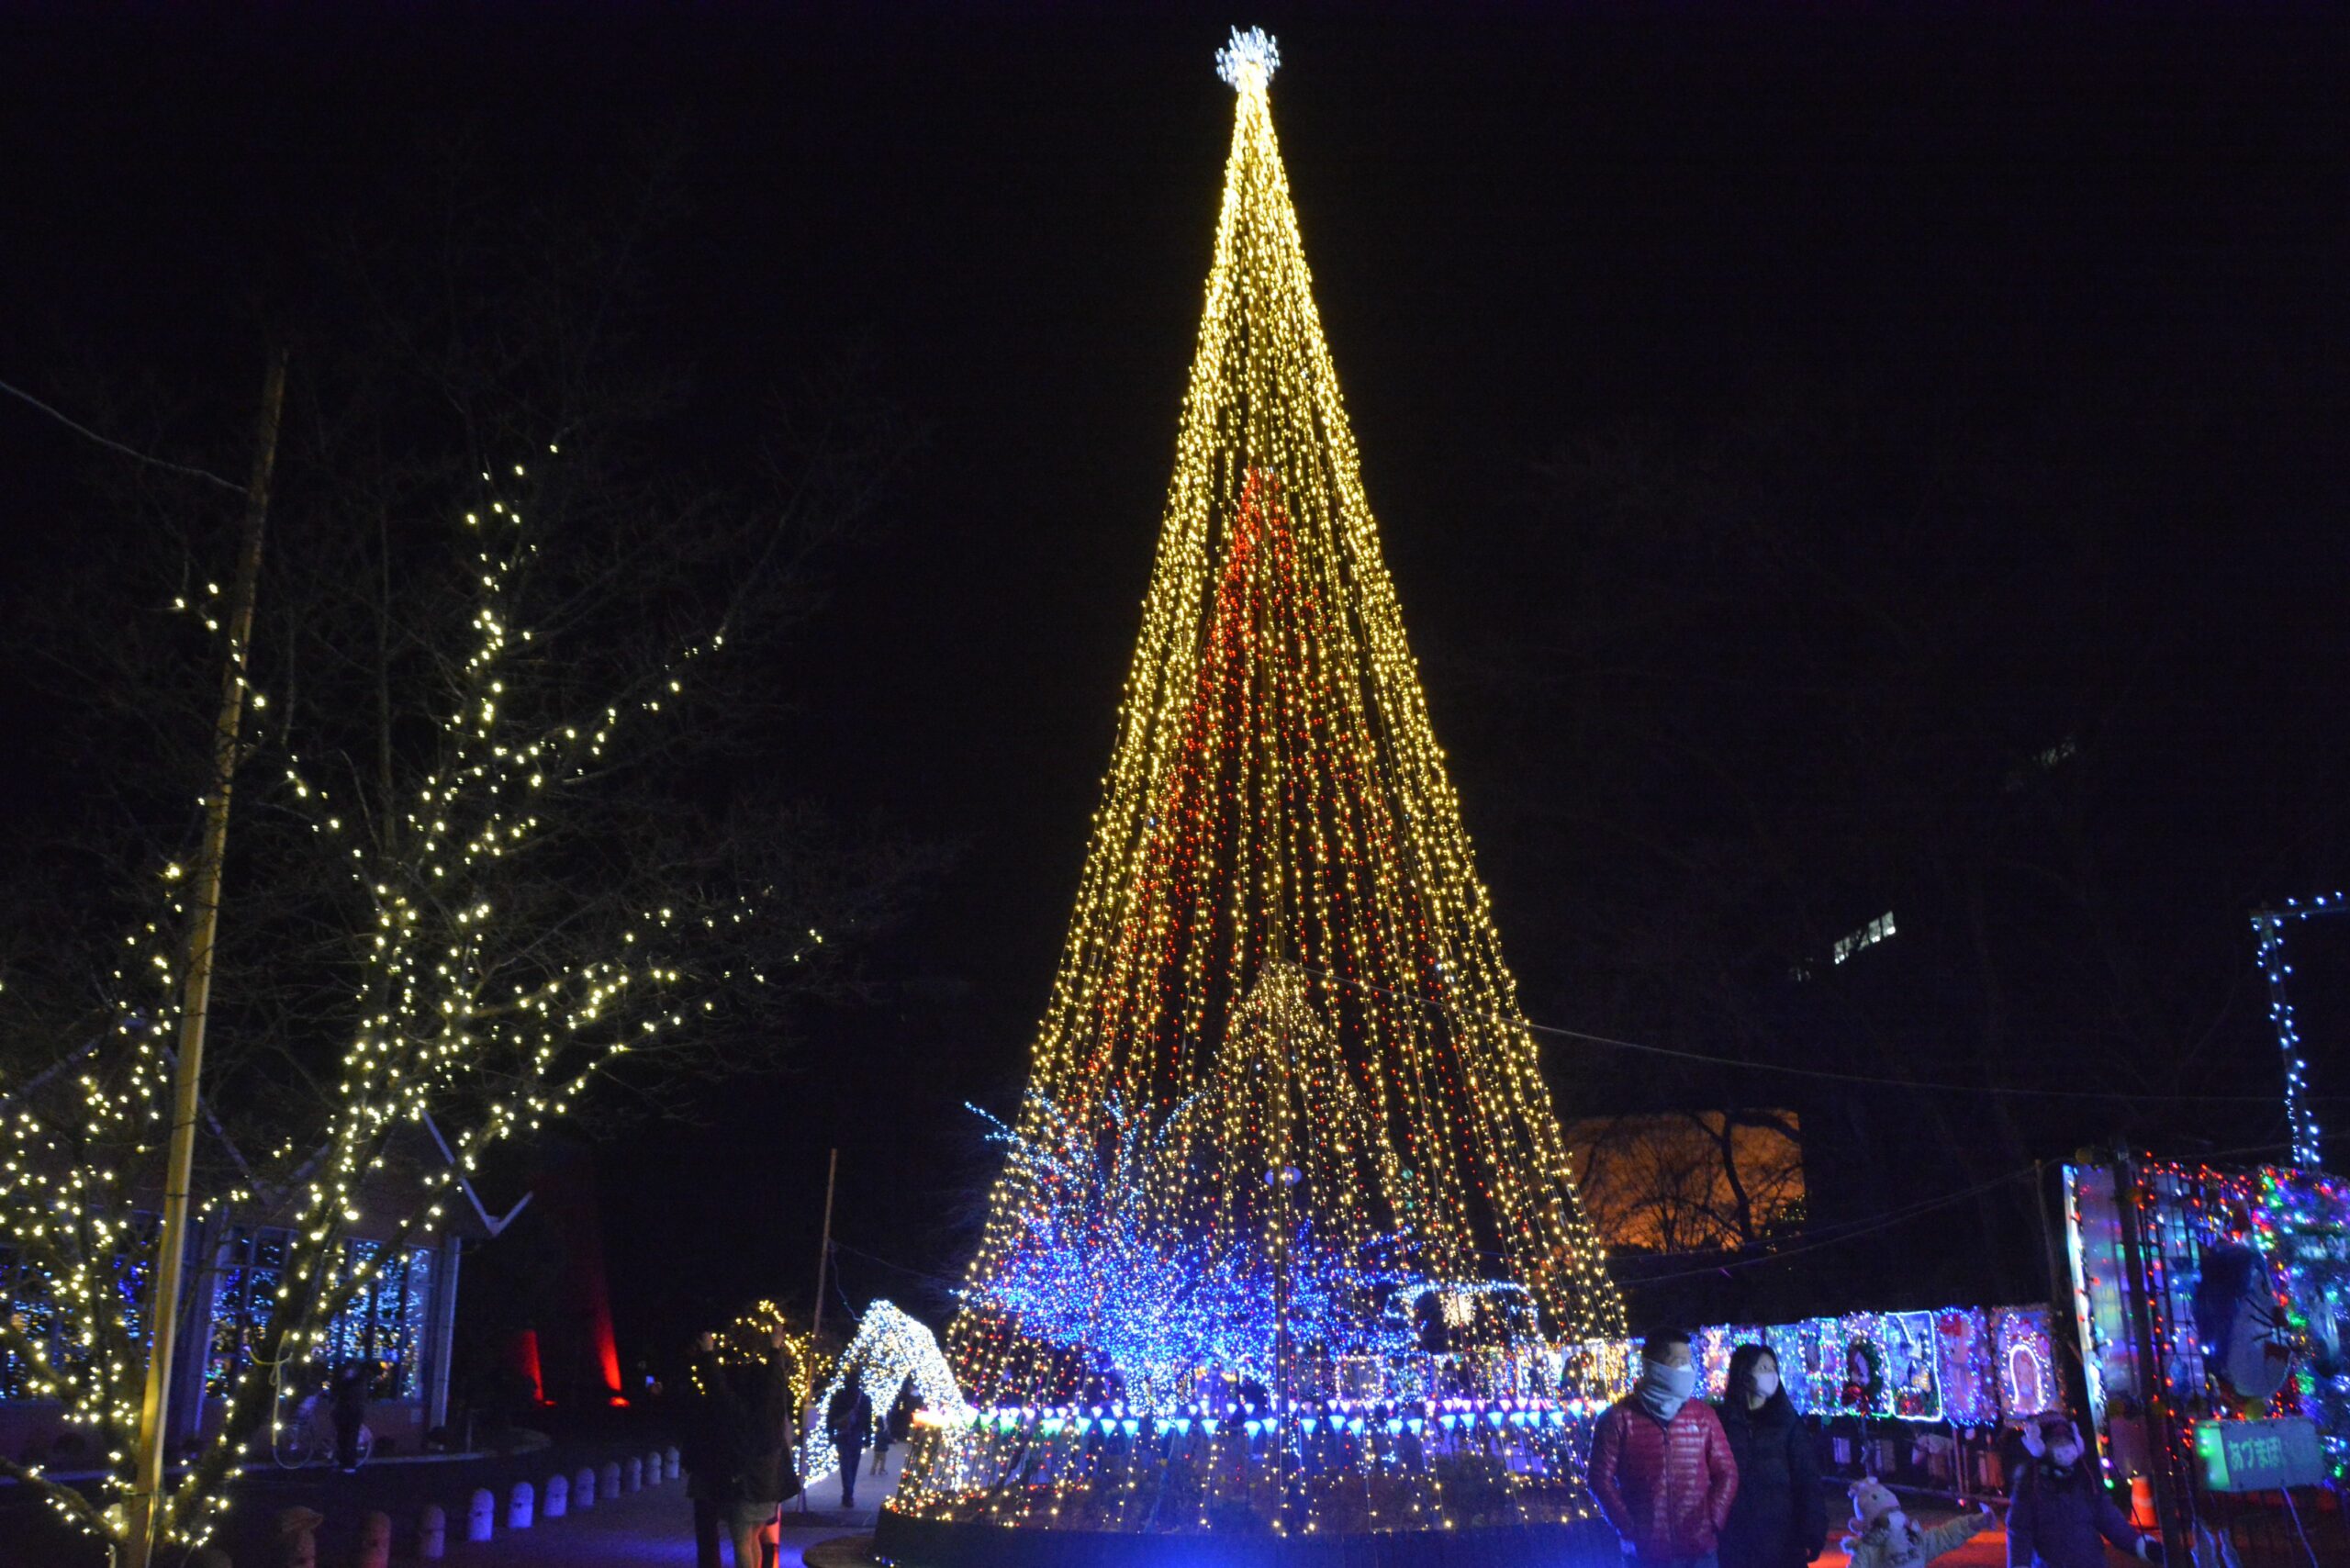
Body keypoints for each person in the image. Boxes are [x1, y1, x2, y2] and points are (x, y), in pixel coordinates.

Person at [1587, 1328, 1740, 1567]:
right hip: (1646, 1552)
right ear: (1654, 1366)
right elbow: (1599, 1479)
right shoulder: (1618, 1418)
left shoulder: (1702, 1416)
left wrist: (1712, 1519)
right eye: (1679, 1362)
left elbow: (1727, 1472)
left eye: (1689, 1362)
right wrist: (1628, 1526)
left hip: (1698, 1550)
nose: (1688, 1370)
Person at [1716, 1344, 1826, 1568]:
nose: (1771, 1374)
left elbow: (1807, 1481)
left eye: (1773, 1368)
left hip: (1783, 1541)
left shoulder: (1788, 1423)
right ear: (1744, 1374)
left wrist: (1813, 1531)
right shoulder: (1721, 1422)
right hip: (1734, 1542)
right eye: (1763, 1368)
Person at [2006, 1415, 2162, 1566]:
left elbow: (2112, 1522)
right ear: (2039, 1446)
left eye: (2066, 1441)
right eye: (2056, 1442)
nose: (2064, 1448)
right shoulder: (2029, 1487)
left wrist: (2144, 1547)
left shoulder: (2087, 1480)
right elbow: (2019, 1536)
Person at [1841, 1477, 1995, 1568]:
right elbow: (1943, 1537)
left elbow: (1944, 1536)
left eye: (1896, 1512)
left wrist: (1973, 1523)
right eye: (1890, 1514)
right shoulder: (1868, 1549)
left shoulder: (1914, 1540)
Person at [826, 1372, 874, 1508]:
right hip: (856, 1434)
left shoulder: (838, 1396)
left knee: (845, 1464)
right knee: (853, 1465)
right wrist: (868, 1436)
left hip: (842, 1434)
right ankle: (848, 1492)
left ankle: (848, 1493)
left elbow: (831, 1415)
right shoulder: (864, 1398)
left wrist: (830, 1433)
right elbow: (868, 1419)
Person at [330, 1358, 371, 1473]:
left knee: (351, 1438)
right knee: (342, 1438)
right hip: (343, 1412)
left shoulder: (357, 1383)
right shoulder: (347, 1381)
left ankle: (350, 1464)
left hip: (353, 1413)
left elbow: (354, 1396)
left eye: (351, 1370)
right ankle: (343, 1462)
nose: (348, 1372)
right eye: (347, 1370)